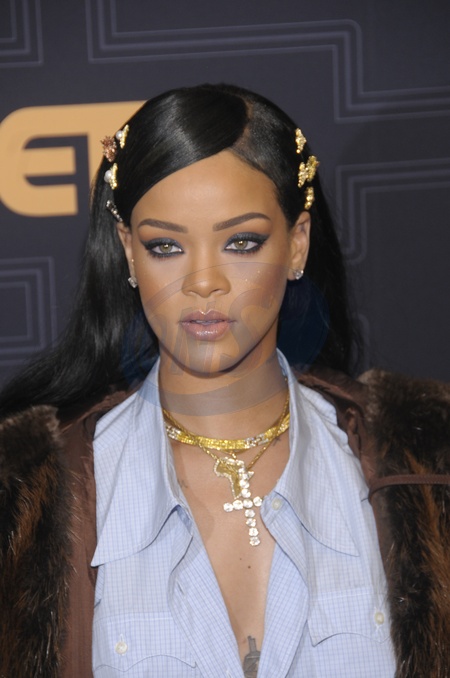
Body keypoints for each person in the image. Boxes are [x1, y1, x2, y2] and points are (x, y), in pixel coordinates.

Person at [0, 84, 448, 678]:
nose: (203, 282)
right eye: (166, 246)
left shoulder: (429, 461)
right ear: (128, 252)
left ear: (298, 243)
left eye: (241, 241)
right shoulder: (19, 495)